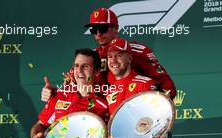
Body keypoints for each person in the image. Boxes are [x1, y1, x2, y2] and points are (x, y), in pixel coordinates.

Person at [41, 8, 176, 102]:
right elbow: (71, 88)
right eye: (94, 30)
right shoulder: (91, 57)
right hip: (99, 119)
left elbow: (166, 87)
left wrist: (157, 112)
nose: (98, 34)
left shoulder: (138, 51)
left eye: (103, 29)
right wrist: (53, 93)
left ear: (116, 28)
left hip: (133, 118)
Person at [31, 48, 108, 138]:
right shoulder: (60, 95)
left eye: (85, 66)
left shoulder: (102, 106)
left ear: (97, 71)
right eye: (76, 66)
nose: (79, 71)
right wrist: (35, 137)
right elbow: (40, 124)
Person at [103, 38, 159, 138]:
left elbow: (159, 120)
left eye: (118, 55)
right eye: (110, 56)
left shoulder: (145, 84)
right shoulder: (107, 91)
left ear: (129, 58)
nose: (113, 60)